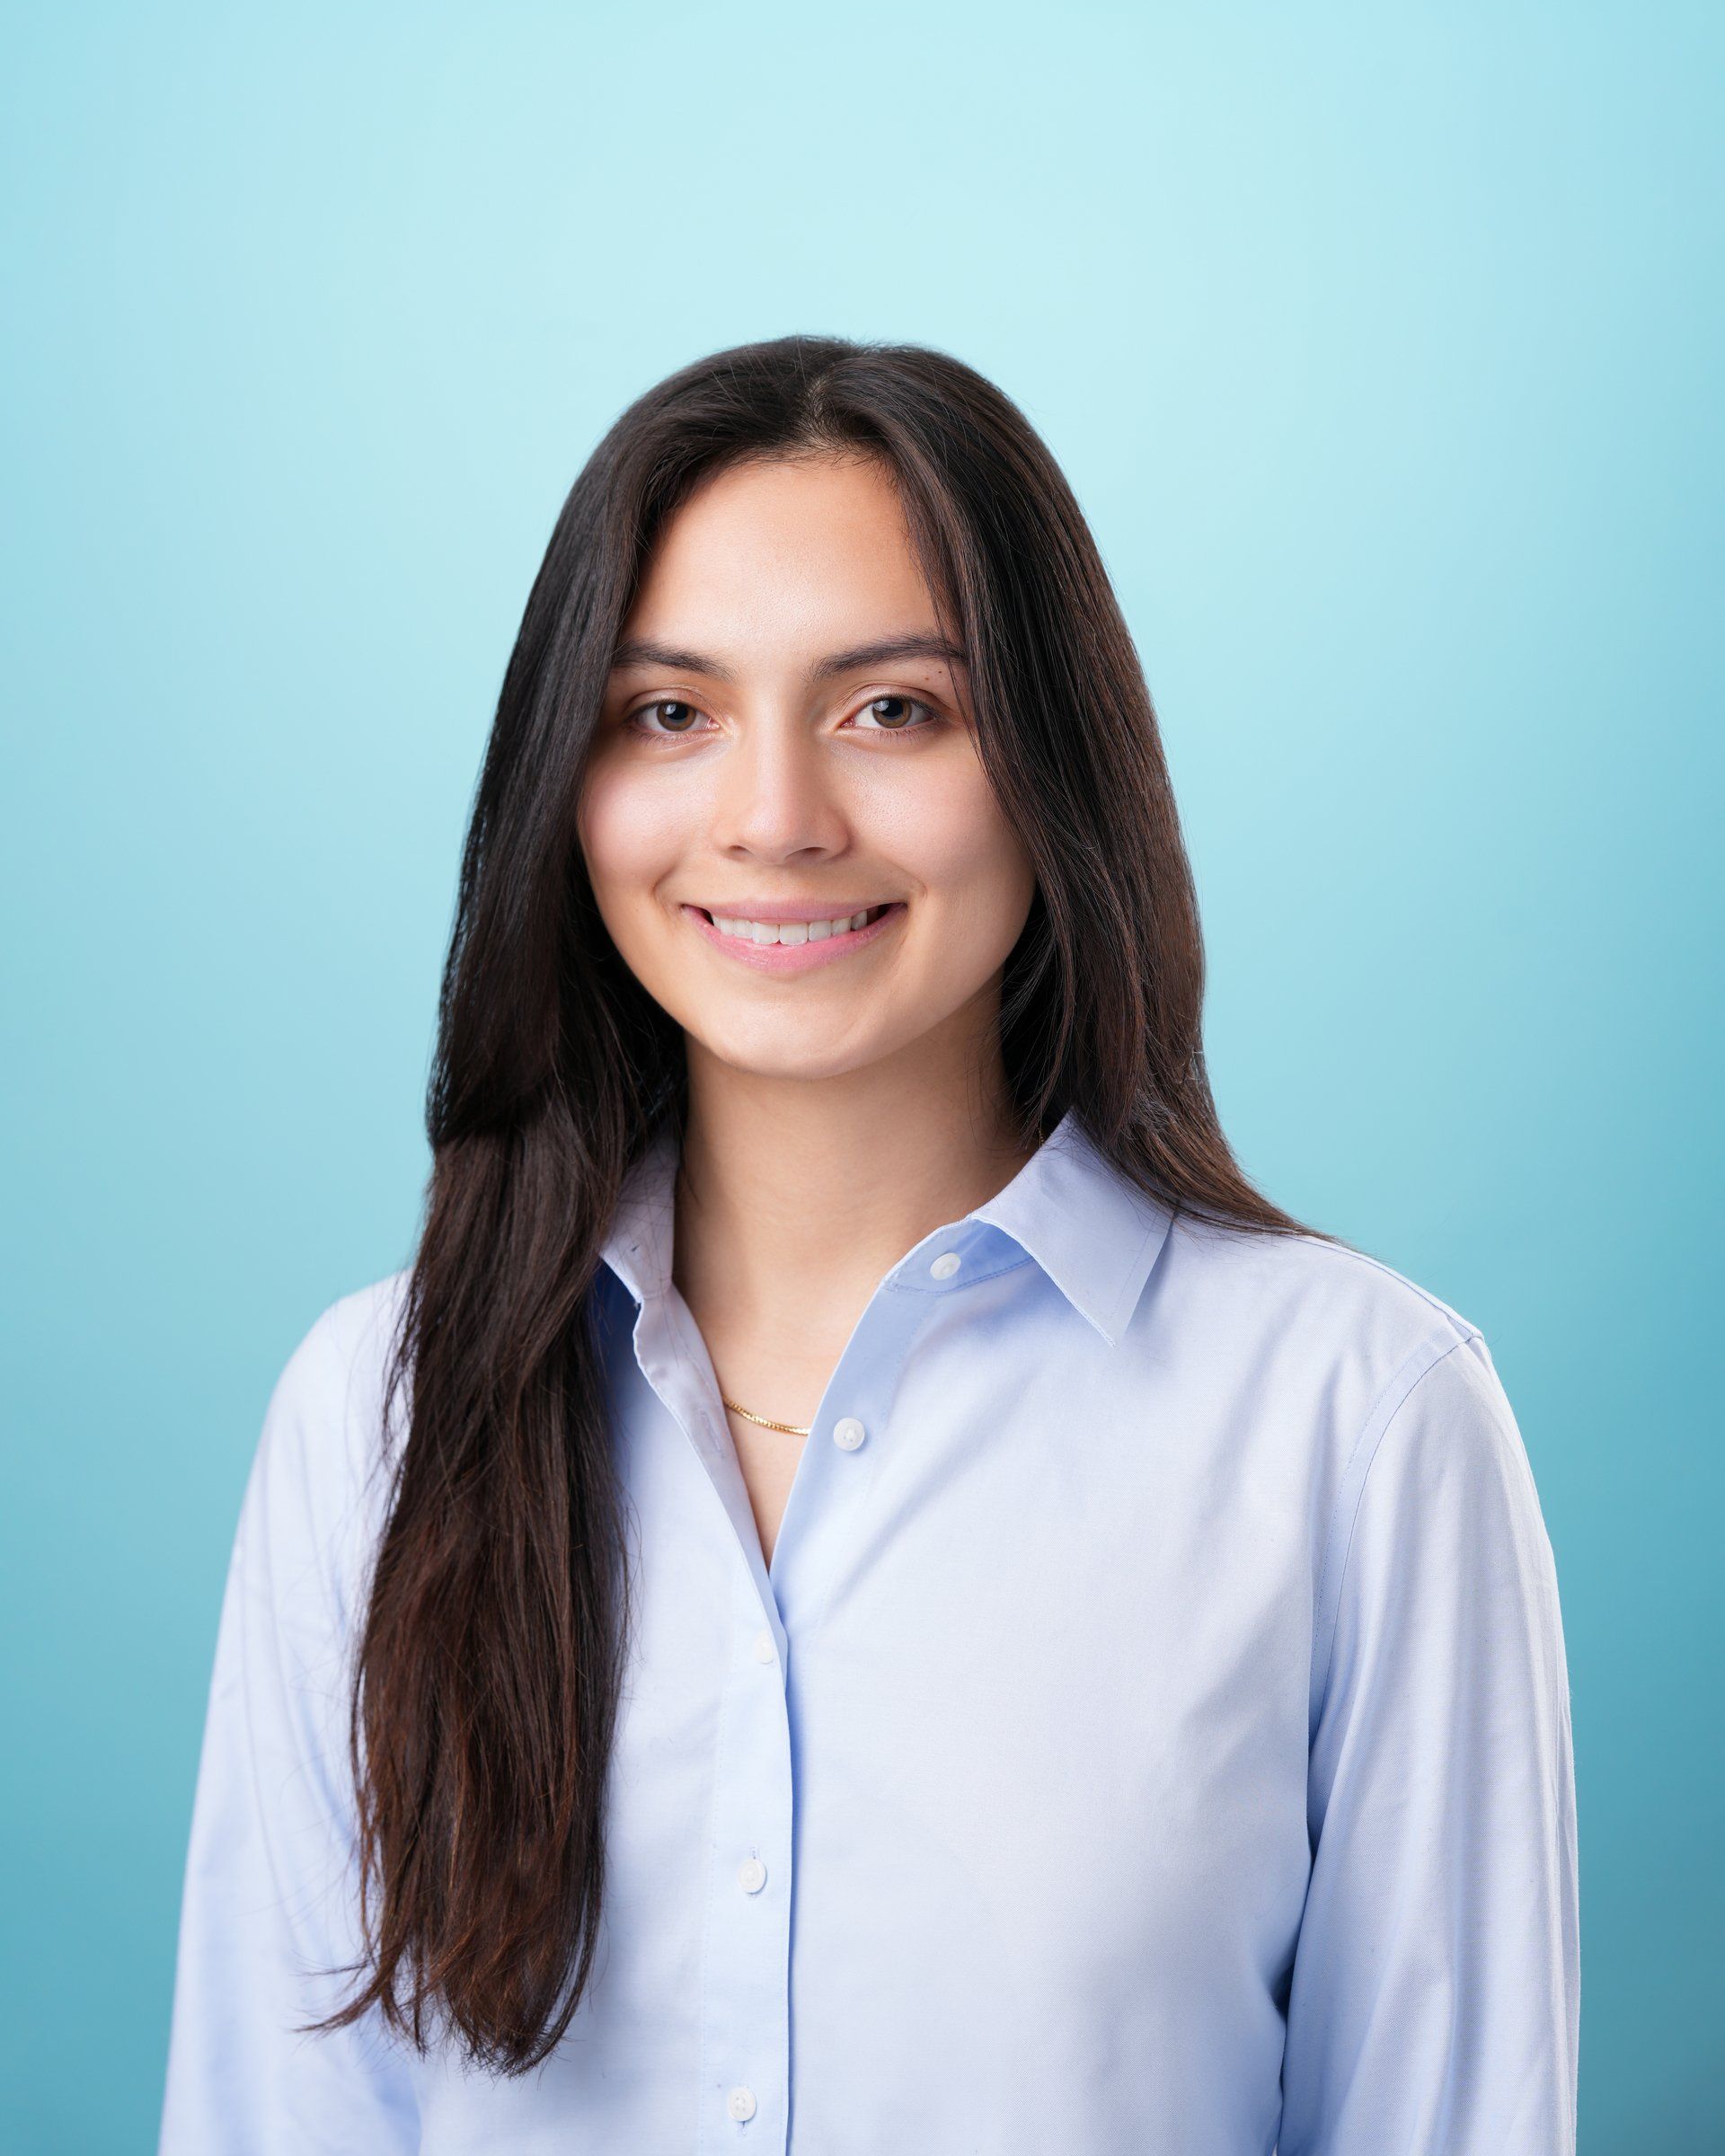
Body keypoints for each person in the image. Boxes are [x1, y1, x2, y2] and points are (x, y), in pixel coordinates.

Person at [158, 334, 1579, 2153]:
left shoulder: (1358, 1423)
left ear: (1053, 761)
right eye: (669, 712)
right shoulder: (375, 1411)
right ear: (566, 785)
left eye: (892, 708)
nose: (774, 819)